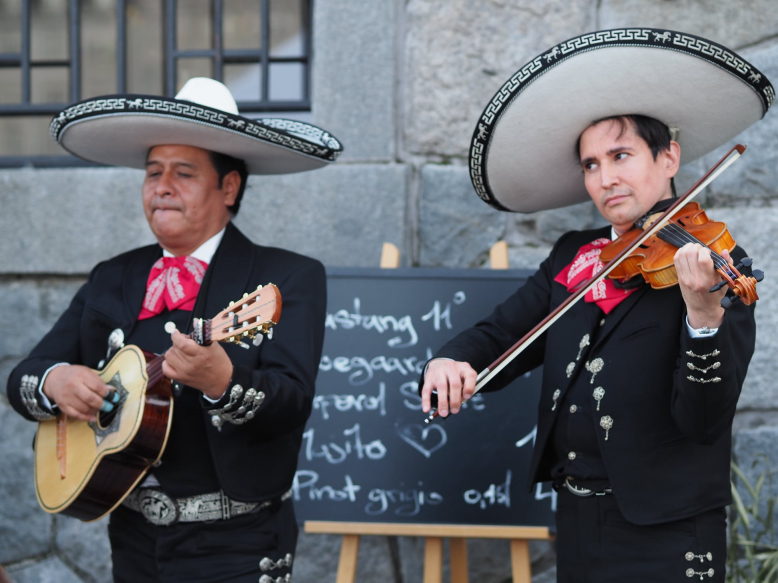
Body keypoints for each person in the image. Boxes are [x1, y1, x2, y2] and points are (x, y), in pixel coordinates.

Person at [419, 29, 773, 582]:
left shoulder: (719, 264)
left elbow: (705, 421)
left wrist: (704, 320)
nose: (605, 179)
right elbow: (503, 333)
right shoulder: (575, 256)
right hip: (579, 520)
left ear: (669, 156)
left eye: (620, 156)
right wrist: (451, 359)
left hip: (669, 530)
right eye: (590, 165)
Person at [7, 77, 343, 583]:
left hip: (238, 543)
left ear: (228, 187)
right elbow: (23, 376)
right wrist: (56, 381)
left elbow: (292, 401)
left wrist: (221, 382)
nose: (162, 186)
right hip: (132, 537)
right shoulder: (112, 275)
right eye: (153, 172)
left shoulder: (288, 277)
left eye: (183, 173)